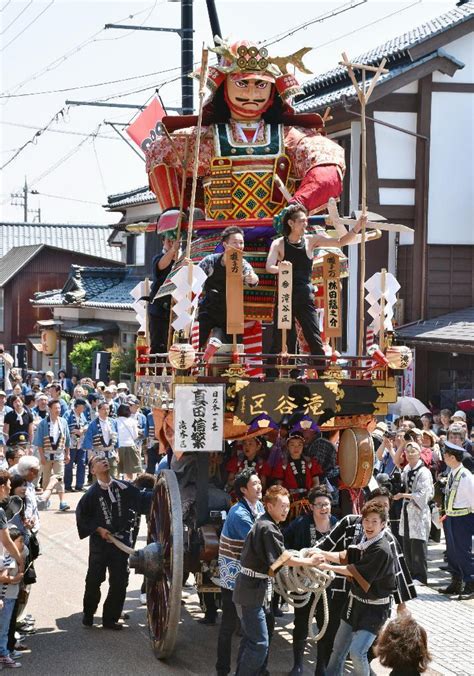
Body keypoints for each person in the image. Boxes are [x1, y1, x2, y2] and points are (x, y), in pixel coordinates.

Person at [146, 39, 346, 223]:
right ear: (224, 85)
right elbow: (160, 151)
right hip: (218, 241)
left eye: (260, 84)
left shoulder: (291, 137)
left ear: (273, 88)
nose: (251, 93)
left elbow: (328, 163)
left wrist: (298, 206)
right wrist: (172, 210)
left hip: (278, 240)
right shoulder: (204, 138)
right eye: (241, 83)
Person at [233, 485, 322, 676]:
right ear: (269, 506)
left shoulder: (265, 523)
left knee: (253, 639)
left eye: (288, 506)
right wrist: (309, 560)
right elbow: (283, 559)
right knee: (259, 643)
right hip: (252, 591)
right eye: (281, 505)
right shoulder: (267, 528)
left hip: (255, 588)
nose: (286, 509)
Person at [266, 204, 365, 367]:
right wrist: (282, 268)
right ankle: (278, 373)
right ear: (291, 223)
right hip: (285, 294)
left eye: (306, 221)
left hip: (304, 295)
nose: (306, 224)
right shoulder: (278, 244)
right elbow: (269, 266)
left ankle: (321, 373)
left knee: (314, 336)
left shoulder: (311, 240)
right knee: (281, 338)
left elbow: (340, 242)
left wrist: (357, 228)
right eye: (302, 221)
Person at [320, 501, 396, 676]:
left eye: (374, 521)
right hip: (354, 602)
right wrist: (322, 553)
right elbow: (345, 556)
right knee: (338, 648)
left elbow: (352, 571)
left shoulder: (381, 549)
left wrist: (327, 567)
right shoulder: (363, 541)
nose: (369, 525)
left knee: (357, 652)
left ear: (383, 524)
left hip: (374, 609)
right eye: (366, 520)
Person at [76, 456, 151, 629]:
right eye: (98, 461)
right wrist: (98, 529)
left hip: (121, 541)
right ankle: (88, 614)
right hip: (100, 544)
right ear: (93, 470)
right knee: (94, 579)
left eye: (105, 459)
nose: (104, 461)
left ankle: (110, 619)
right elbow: (82, 517)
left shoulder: (123, 486)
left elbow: (141, 499)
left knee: (119, 581)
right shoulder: (91, 494)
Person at [216, 469, 265, 676]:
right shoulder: (239, 513)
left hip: (251, 575)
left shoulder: (259, 506)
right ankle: (222, 670)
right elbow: (258, 543)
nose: (259, 486)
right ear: (244, 490)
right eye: (254, 484)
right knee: (228, 624)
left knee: (250, 626)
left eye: (258, 482)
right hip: (233, 576)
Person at [283, 486, 338, 676]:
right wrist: (297, 561)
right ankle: (297, 665)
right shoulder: (300, 523)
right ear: (311, 507)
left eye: (327, 504)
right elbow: (284, 544)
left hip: (328, 583)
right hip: (304, 582)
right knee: (301, 623)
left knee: (326, 623)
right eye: (319, 505)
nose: (324, 508)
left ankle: (321, 666)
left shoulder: (337, 524)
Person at [197, 226, 258, 348]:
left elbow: (253, 279)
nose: (239, 246)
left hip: (231, 312)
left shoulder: (243, 264)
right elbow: (195, 282)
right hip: (209, 309)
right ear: (225, 244)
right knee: (199, 342)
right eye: (235, 242)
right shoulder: (210, 261)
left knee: (234, 349)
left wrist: (252, 278)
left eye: (241, 243)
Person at [394, 442, 434, 584]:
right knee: (407, 541)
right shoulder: (406, 468)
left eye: (414, 451)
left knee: (418, 542)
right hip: (406, 509)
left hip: (418, 511)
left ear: (419, 453)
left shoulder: (424, 472)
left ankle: (420, 576)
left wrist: (404, 495)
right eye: (408, 451)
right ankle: (410, 572)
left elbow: (424, 494)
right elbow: (402, 486)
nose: (410, 454)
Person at [438, 441, 474, 599]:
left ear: (452, 458)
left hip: (463, 518)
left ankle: (471, 584)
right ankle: (456, 581)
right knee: (452, 552)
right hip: (451, 516)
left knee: (462, 552)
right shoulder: (452, 473)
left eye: (446, 455)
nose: (444, 458)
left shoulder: (466, 476)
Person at [33, 400, 71, 511]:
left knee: (60, 477)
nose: (58, 410)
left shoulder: (63, 422)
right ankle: (45, 500)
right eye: (56, 408)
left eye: (59, 408)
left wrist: (67, 454)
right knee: (46, 478)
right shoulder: (43, 423)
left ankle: (62, 501)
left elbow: (67, 439)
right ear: (50, 409)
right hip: (46, 454)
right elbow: (39, 442)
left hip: (59, 454)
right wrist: (42, 456)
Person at [148, 235, 181, 355]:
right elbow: (161, 266)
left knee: (177, 343)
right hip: (159, 309)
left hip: (178, 308)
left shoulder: (183, 260)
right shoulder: (158, 258)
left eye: (174, 241)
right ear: (163, 242)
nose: (172, 243)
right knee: (159, 344)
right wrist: (173, 250)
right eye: (169, 241)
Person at [0, 528, 25, 669]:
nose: (22, 544)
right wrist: (15, 578)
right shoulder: (8, 556)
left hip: (9, 597)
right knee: (3, 630)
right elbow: (3, 577)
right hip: (6, 598)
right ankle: (3, 655)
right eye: (20, 541)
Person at [82, 402, 119, 477]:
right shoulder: (93, 424)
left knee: (113, 475)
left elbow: (117, 440)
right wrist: (91, 456)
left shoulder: (113, 422)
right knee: (99, 476)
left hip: (111, 453)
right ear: (98, 410)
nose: (106, 411)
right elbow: (88, 440)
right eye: (103, 409)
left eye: (108, 409)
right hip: (98, 453)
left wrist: (118, 453)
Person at [63, 398, 88, 492]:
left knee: (82, 463)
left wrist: (83, 429)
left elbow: (86, 423)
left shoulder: (82, 415)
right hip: (71, 442)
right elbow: (64, 426)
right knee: (69, 464)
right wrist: (73, 430)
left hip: (81, 442)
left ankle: (79, 485)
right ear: (77, 406)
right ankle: (67, 485)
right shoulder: (68, 414)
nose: (83, 409)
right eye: (82, 407)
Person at [115, 404, 141, 481]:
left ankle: (116, 484)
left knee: (117, 469)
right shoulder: (133, 421)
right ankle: (128, 484)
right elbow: (135, 436)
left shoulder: (115, 421)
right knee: (129, 470)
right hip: (130, 445)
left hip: (118, 446)